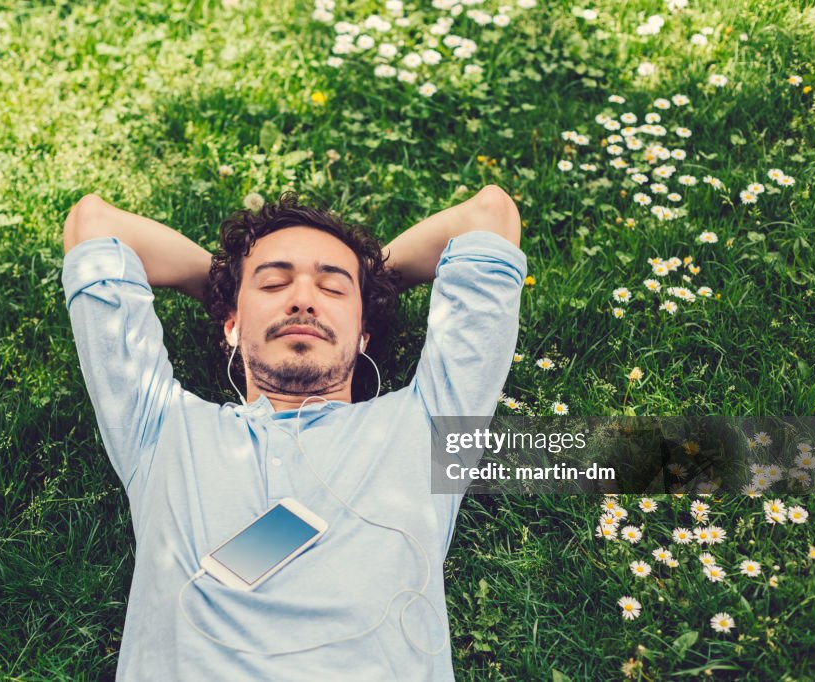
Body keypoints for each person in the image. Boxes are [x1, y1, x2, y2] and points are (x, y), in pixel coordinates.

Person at [61, 184, 525, 680]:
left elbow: (489, 214)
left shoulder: (426, 425)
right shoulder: (160, 427)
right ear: (232, 327)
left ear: (364, 332)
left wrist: (371, 280)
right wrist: (224, 285)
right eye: (274, 284)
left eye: (332, 289)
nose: (303, 300)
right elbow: (93, 224)